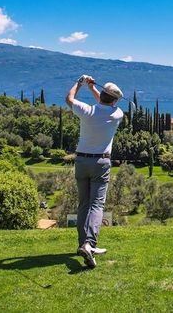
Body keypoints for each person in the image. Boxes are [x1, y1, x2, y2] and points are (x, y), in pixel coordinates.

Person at [66, 75, 124, 268]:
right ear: (115, 100)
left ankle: (83, 244)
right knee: (97, 205)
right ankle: (89, 244)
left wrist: (81, 83)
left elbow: (69, 99)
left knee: (83, 204)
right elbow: (105, 104)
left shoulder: (87, 110)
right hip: (101, 163)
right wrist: (93, 89)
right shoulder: (117, 114)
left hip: (81, 161)